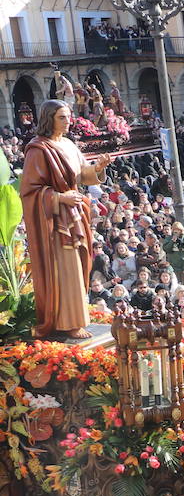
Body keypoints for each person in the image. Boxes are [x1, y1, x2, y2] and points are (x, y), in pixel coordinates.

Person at [20, 99, 113, 339]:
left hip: (75, 213)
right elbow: (30, 191)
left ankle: (78, 318)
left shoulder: (70, 145)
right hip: (55, 220)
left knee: (81, 266)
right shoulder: (38, 149)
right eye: (62, 116)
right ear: (48, 118)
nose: (67, 120)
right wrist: (60, 199)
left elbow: (82, 174)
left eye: (69, 116)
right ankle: (67, 322)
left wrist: (99, 167)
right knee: (66, 268)